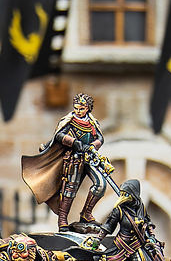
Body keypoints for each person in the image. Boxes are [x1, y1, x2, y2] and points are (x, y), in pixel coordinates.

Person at [20, 92, 111, 231]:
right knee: (70, 189)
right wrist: (73, 142)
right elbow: (59, 135)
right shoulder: (70, 121)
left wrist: (93, 146)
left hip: (89, 157)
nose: (78, 111)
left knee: (100, 184)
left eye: (81, 108)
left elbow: (100, 138)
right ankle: (62, 219)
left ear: (87, 108)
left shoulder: (92, 122)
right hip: (74, 159)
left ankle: (86, 214)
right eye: (76, 108)